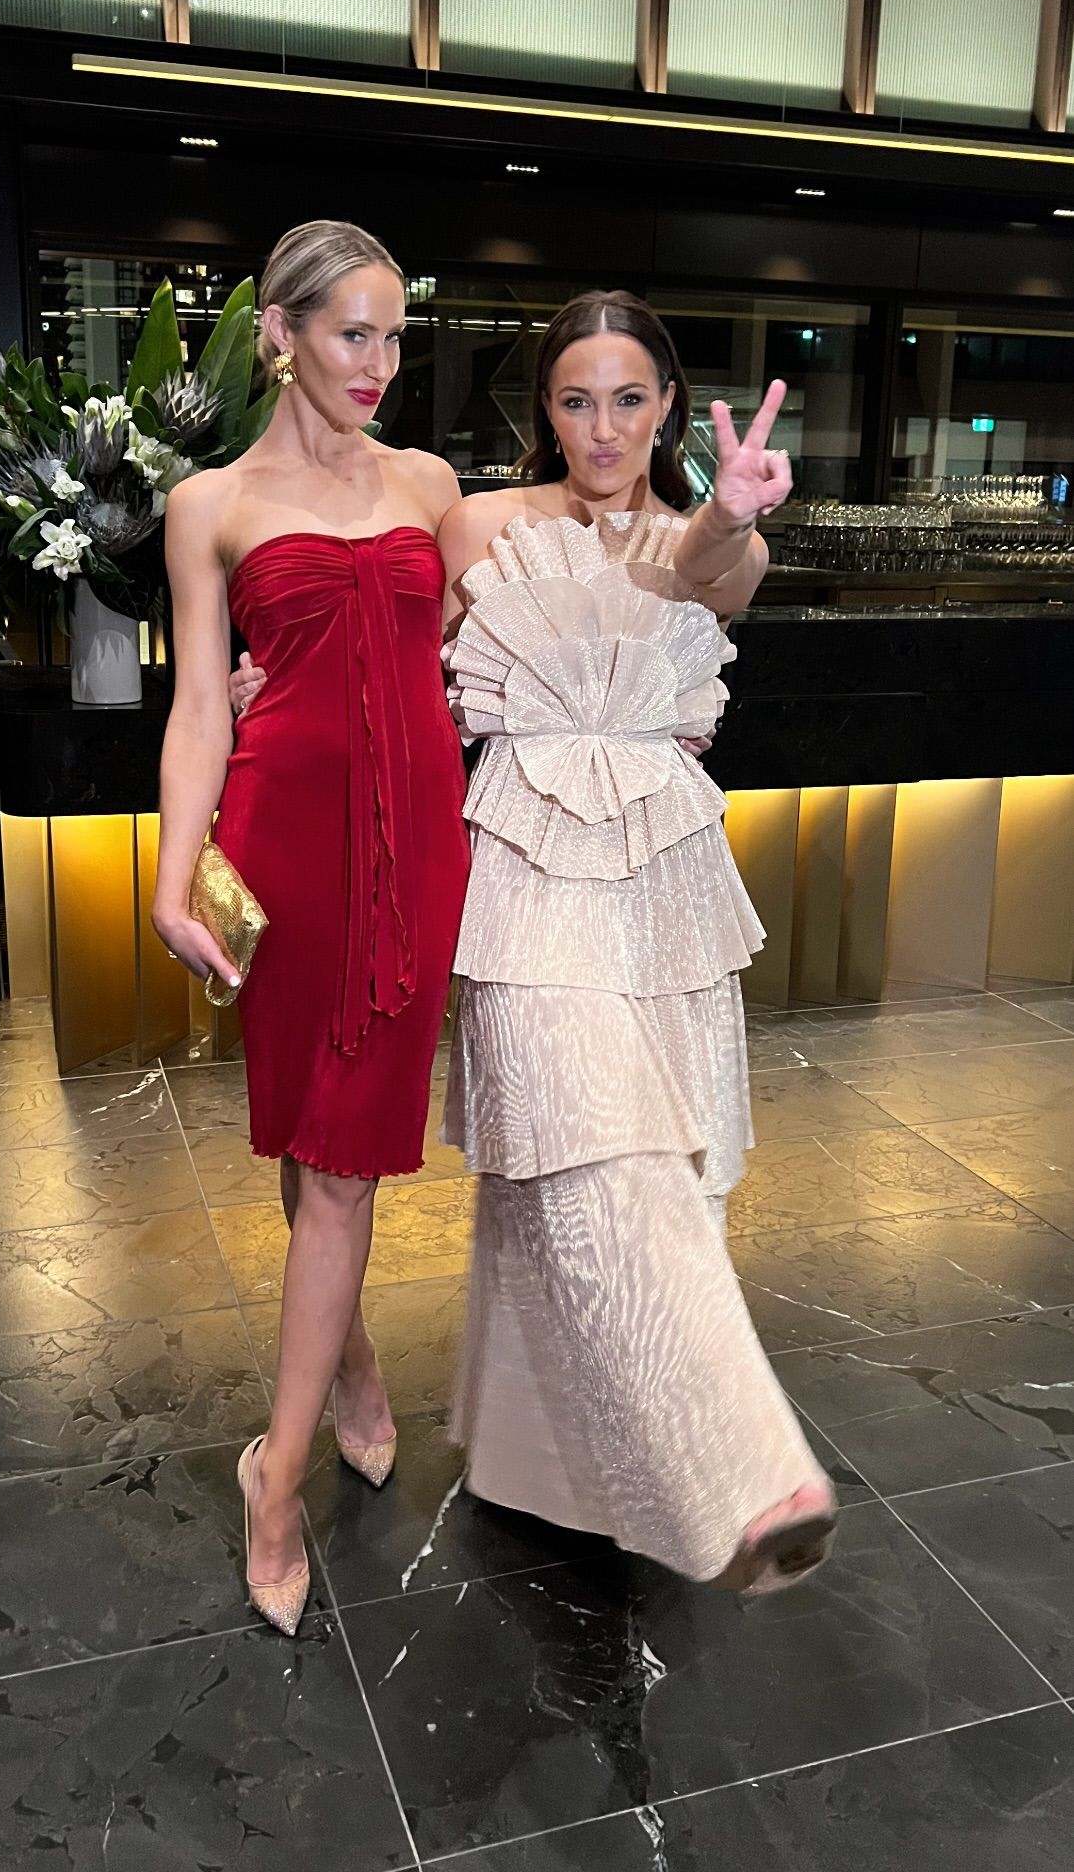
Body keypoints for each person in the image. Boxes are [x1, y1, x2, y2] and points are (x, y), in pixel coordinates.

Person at [231, 286, 837, 1594]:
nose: (602, 428)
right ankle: (743, 1467)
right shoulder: (481, 521)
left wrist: (730, 511)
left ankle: (550, 1466)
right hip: (516, 874)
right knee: (594, 1147)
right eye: (575, 400)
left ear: (667, 406)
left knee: (652, 1161)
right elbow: (389, 642)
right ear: (544, 412)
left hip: (665, 883)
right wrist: (275, 684)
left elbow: (710, 572)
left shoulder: (706, 539)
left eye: (628, 400)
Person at [153, 221, 469, 1637]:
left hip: (418, 848)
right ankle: (316, 1414)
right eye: (353, 332)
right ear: (278, 334)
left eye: (394, 335)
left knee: (342, 1158)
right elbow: (199, 708)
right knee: (314, 1142)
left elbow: (498, 625)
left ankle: (280, 1463)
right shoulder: (209, 502)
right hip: (284, 843)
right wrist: (175, 874)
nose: (378, 362)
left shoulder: (428, 483)